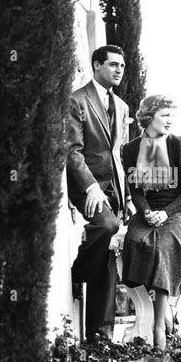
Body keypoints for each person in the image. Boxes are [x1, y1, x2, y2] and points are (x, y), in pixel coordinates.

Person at [121, 95, 181, 350]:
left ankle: (158, 328)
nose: (170, 121)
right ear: (149, 116)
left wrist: (166, 213)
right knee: (135, 240)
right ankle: (165, 310)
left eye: (171, 116)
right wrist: (146, 213)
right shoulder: (131, 149)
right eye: (164, 115)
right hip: (149, 210)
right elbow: (136, 192)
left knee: (164, 242)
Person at [66, 45, 134, 341]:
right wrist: (91, 186)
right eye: (113, 65)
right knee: (107, 226)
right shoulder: (76, 101)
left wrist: (129, 196)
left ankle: (99, 337)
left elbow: (122, 156)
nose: (119, 70)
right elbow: (73, 151)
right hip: (87, 188)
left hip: (116, 191)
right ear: (96, 66)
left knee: (107, 258)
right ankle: (79, 271)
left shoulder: (121, 107)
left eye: (122, 66)